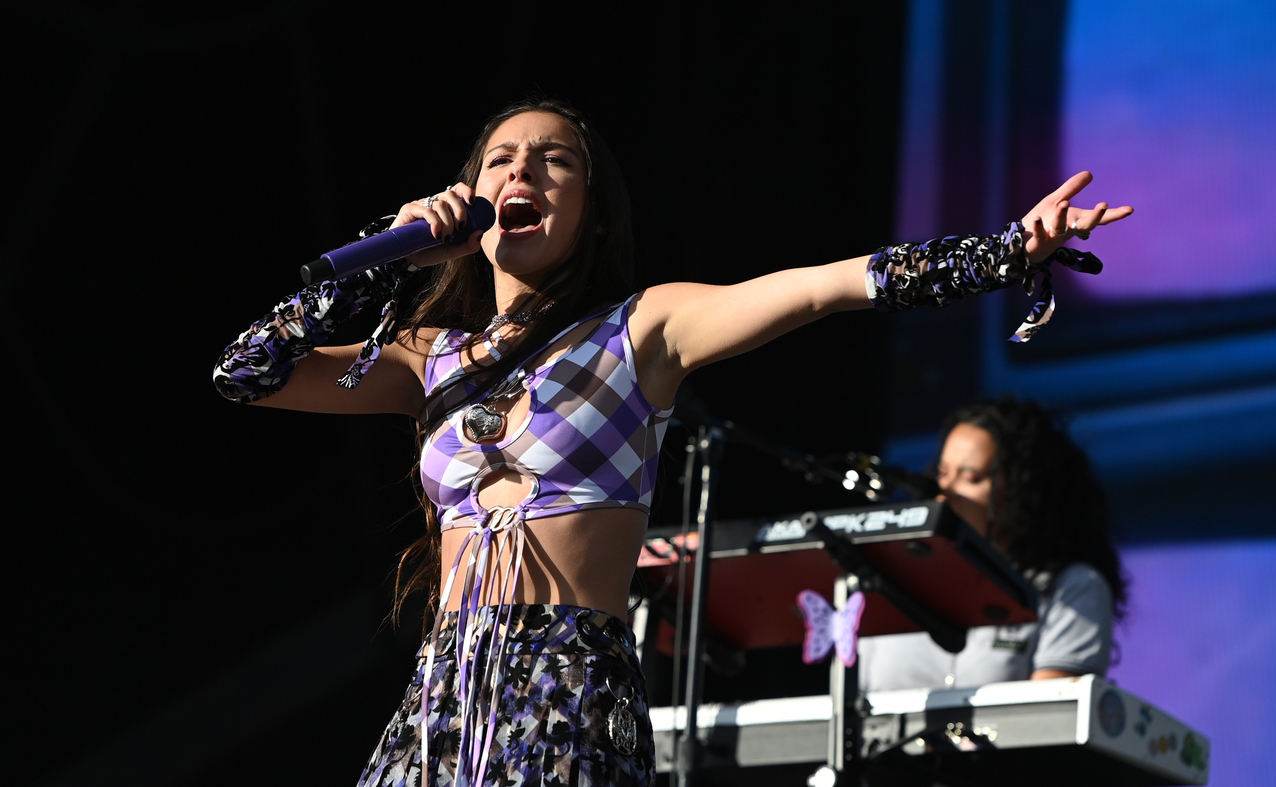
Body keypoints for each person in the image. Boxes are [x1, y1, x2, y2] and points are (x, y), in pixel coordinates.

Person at [213, 98, 1132, 787]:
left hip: (567, 677)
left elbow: (819, 289)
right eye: (499, 159)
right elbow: (244, 372)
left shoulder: (641, 329)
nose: (521, 170)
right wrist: (385, 255)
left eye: (553, 161)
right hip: (446, 686)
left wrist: (1003, 252)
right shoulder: (426, 357)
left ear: (592, 212)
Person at [859, 397, 1128, 693]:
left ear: (1022, 492)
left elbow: (1050, 713)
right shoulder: (896, 580)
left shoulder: (1070, 588)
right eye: (943, 473)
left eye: (971, 477)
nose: (944, 493)